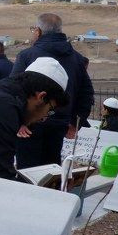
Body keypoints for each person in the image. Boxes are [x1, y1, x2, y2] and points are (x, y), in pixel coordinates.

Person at [9, 13, 94, 168]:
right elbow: (86, 93)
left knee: (27, 172)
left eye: (34, 30)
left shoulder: (27, 55)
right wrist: (76, 121)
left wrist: (19, 121)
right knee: (51, 169)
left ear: (39, 32)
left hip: (29, 125)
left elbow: (14, 89)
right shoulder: (77, 59)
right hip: (60, 124)